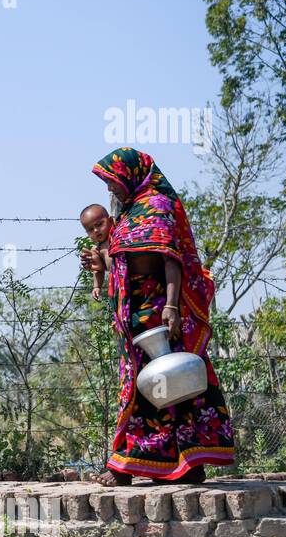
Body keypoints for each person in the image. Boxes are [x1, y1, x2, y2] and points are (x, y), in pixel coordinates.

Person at [80, 147, 235, 486]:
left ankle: (132, 468)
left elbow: (169, 258)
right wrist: (101, 267)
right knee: (155, 388)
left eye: (113, 182)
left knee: (166, 385)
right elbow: (128, 262)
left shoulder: (155, 206)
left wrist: (172, 306)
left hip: (159, 315)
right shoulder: (128, 214)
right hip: (134, 317)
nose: (111, 191)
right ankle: (174, 467)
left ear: (131, 175)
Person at [79, 202, 114, 300]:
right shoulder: (96, 250)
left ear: (111, 221)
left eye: (99, 224)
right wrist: (97, 286)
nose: (95, 230)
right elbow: (98, 270)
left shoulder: (118, 236)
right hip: (117, 286)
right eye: (90, 229)